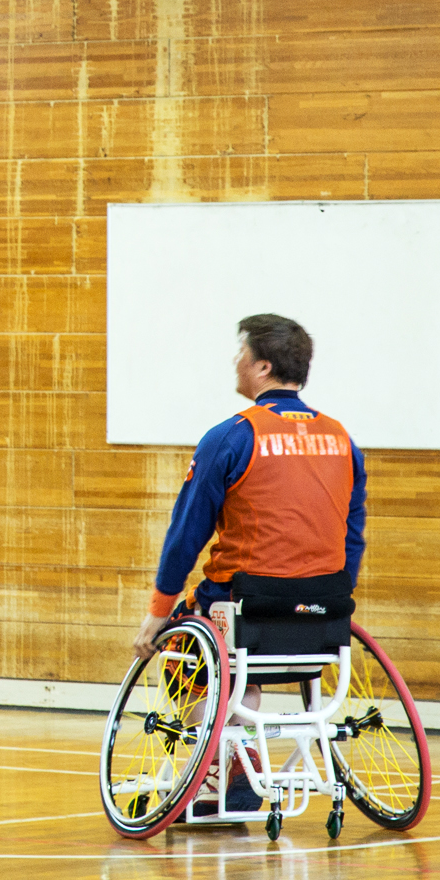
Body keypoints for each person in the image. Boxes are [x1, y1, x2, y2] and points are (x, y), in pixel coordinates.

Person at [129, 313, 367, 813]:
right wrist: (329, 599)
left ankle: (230, 758)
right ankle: (237, 745)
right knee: (241, 657)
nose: (234, 362)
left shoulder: (232, 436)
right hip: (322, 617)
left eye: (240, 353)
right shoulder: (343, 440)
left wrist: (157, 612)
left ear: (261, 367)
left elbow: (184, 536)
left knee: (180, 657)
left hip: (243, 609)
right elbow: (352, 537)